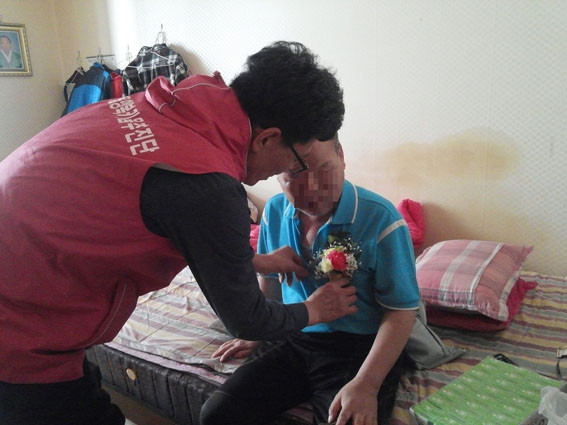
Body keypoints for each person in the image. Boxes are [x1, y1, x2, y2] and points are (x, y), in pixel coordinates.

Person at [0, 41, 355, 425]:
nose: (292, 176)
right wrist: (316, 309)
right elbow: (248, 319)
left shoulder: (171, 105)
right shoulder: (207, 183)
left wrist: (258, 262)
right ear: (267, 138)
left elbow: (180, 226)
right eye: (297, 163)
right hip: (18, 327)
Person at [201, 137, 420, 425]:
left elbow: (401, 311)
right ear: (276, 174)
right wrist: (259, 332)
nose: (312, 187)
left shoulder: (381, 219)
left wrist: (366, 385)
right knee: (218, 414)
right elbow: (271, 284)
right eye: (294, 175)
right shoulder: (275, 211)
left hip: (360, 347)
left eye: (324, 168)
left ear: (341, 156)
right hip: (295, 334)